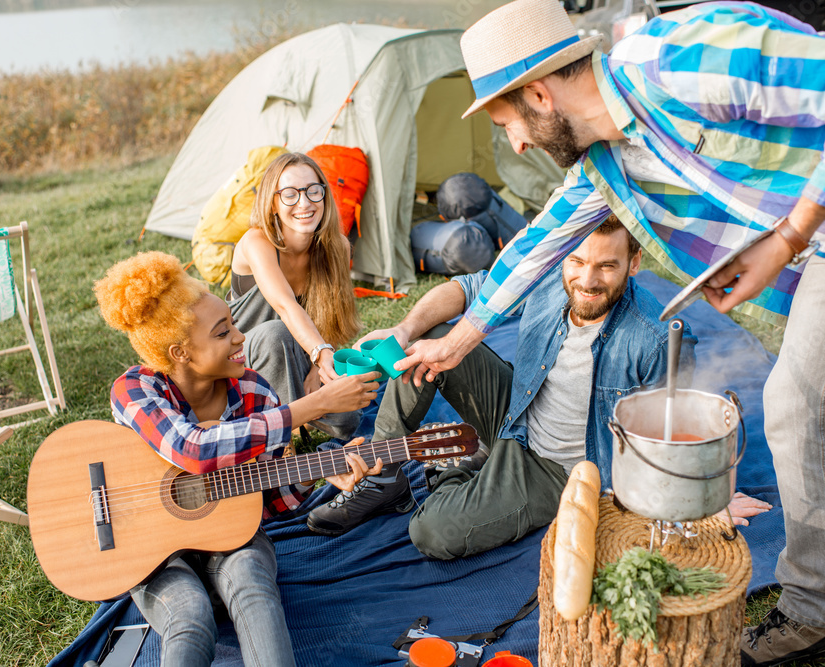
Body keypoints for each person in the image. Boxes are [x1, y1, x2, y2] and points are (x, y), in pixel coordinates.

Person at [399, 0, 825, 664]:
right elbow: (537, 244)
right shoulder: (608, 166)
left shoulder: (680, 56)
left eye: (508, 122)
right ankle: (821, 615)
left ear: (541, 94)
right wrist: (459, 339)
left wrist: (787, 236)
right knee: (797, 404)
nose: (515, 144)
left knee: (795, 404)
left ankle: (819, 613)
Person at [307, 216, 771, 550]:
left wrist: (701, 501)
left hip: (559, 468)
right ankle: (384, 475)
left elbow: (673, 432)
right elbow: (468, 290)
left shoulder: (655, 339)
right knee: (426, 344)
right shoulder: (548, 278)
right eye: (578, 261)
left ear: (634, 263)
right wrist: (403, 330)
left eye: (606, 266)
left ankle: (461, 468)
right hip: (516, 410)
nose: (587, 280)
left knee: (430, 534)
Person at [95, 251, 381, 667]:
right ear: (181, 353)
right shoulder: (135, 390)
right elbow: (192, 450)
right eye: (222, 332)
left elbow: (276, 500)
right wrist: (311, 407)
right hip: (149, 544)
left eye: (233, 323)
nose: (240, 338)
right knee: (189, 618)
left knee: (253, 588)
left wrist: (323, 468)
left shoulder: (254, 393)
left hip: (233, 537)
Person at [229, 152, 363, 440]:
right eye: (290, 194)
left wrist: (319, 369)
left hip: (299, 358)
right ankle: (275, 436)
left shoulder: (336, 245)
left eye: (313, 191)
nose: (304, 203)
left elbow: (332, 318)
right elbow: (285, 305)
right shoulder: (256, 242)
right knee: (274, 333)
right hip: (240, 366)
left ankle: (295, 413)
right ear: (273, 203)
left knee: (350, 420)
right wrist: (321, 353)